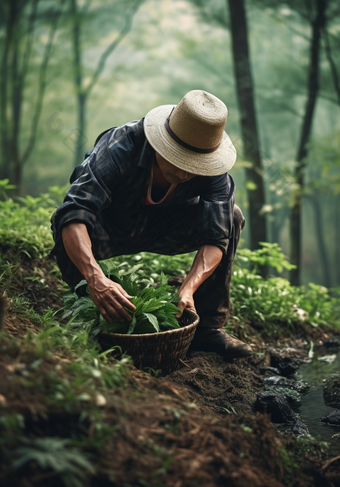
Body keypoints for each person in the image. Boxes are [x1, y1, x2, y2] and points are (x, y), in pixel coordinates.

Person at [51, 90, 252, 359]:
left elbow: (216, 236)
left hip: (163, 228)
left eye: (194, 165)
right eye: (178, 159)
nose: (184, 173)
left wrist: (189, 287)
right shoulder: (121, 146)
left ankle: (206, 329)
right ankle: (91, 310)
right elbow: (76, 209)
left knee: (234, 217)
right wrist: (96, 279)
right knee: (67, 221)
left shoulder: (213, 172)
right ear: (161, 142)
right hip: (107, 228)